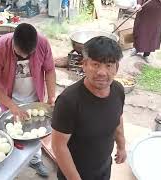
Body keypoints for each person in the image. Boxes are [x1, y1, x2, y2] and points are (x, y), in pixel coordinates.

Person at [0, 23, 56, 177]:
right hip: (8, 98)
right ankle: (9, 167)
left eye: (29, 54)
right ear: (13, 42)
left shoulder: (42, 43)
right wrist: (11, 105)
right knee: (9, 135)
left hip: (35, 96)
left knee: (35, 133)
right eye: (20, 54)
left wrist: (51, 96)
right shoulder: (0, 47)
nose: (25, 57)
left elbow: (49, 70)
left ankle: (35, 160)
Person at [51, 36, 127, 180]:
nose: (102, 72)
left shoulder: (118, 90)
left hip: (104, 168)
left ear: (117, 67)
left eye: (109, 65)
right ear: (84, 64)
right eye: (96, 64)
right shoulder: (69, 101)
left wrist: (121, 146)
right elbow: (58, 146)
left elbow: (118, 117)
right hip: (75, 174)